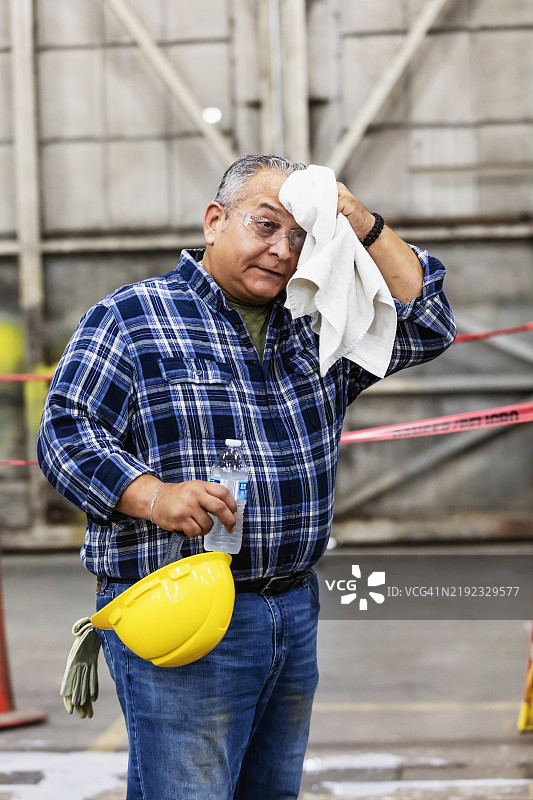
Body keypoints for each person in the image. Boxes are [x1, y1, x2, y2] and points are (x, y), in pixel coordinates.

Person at [38, 154, 455, 800]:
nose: (282, 250)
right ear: (214, 221)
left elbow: (427, 322)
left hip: (291, 608)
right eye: (265, 225)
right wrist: (153, 495)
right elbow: (65, 433)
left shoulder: (318, 323)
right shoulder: (132, 318)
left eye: (300, 236)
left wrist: (358, 219)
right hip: (182, 610)